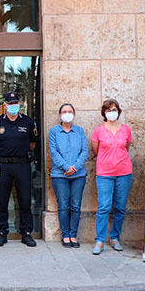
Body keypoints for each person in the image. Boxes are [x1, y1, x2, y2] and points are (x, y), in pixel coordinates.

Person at [0, 91, 38, 248]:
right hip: (3, 165)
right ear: (4, 105)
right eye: (10, 103)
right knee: (1, 200)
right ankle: (2, 233)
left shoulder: (28, 122)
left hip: (22, 165)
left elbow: (32, 144)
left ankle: (26, 233)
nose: (13, 106)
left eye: (15, 103)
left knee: (25, 200)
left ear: (19, 104)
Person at [90, 98, 133, 255]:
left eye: (114, 110)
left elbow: (126, 147)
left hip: (124, 173)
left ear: (118, 112)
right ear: (104, 113)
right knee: (104, 207)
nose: (111, 112)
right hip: (104, 174)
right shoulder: (99, 130)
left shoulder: (126, 130)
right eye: (108, 110)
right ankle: (100, 240)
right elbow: (96, 150)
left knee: (120, 207)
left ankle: (115, 237)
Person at [48, 103, 88, 248]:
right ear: (60, 115)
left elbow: (85, 151)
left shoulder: (80, 131)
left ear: (74, 114)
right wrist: (66, 167)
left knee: (75, 205)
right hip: (60, 175)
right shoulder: (54, 131)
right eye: (64, 111)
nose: (67, 113)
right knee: (63, 205)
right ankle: (65, 235)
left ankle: (73, 235)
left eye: (70, 111)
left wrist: (75, 168)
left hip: (78, 175)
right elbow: (53, 152)